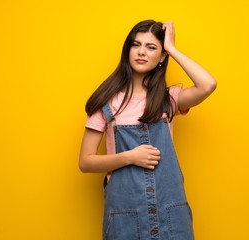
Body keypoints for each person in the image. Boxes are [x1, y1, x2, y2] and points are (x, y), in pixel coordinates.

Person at [79, 19, 217, 240]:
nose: (141, 52)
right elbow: (85, 162)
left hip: (170, 213)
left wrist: (171, 48)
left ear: (162, 57)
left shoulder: (169, 99)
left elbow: (208, 84)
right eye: (136, 45)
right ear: (128, 50)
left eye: (151, 47)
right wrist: (130, 157)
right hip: (126, 214)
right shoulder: (106, 103)